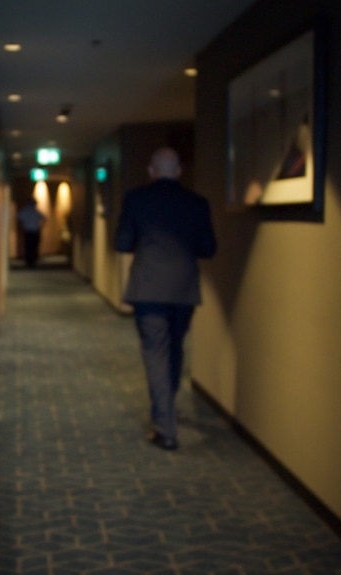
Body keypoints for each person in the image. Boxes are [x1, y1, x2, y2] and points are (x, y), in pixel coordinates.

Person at [114, 147, 217, 450]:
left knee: (156, 352)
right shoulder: (197, 203)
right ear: (179, 171)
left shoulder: (136, 199)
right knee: (174, 350)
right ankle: (165, 411)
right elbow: (208, 248)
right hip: (183, 288)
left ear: (150, 170)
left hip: (148, 287)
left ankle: (165, 428)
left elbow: (122, 243)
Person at [17, 198, 46, 268]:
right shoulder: (32, 211)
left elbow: (18, 217)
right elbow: (44, 218)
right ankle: (31, 261)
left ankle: (31, 261)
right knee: (32, 247)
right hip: (32, 231)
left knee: (30, 247)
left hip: (30, 231)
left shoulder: (32, 211)